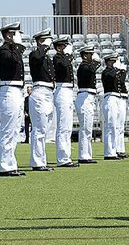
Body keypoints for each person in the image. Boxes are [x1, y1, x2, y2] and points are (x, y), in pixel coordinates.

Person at [0, 22, 27, 176]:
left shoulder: (13, 50)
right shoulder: (3, 51)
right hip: (8, 90)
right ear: (9, 35)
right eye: (15, 33)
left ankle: (11, 164)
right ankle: (5, 166)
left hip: (17, 90)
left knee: (15, 130)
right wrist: (18, 46)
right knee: (7, 130)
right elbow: (13, 60)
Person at [29, 28, 56, 171]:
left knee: (44, 129)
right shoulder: (35, 54)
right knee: (39, 129)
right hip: (39, 91)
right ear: (40, 41)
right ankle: (37, 162)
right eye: (46, 39)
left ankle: (41, 160)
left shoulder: (46, 57)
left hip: (48, 93)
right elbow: (37, 58)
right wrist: (44, 47)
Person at [53, 36, 78, 167]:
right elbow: (62, 65)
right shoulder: (57, 58)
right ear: (58, 48)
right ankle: (62, 158)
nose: (66, 48)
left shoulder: (64, 58)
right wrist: (68, 55)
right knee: (63, 126)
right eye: (64, 46)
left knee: (67, 127)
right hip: (62, 89)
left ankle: (66, 156)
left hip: (68, 90)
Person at [75, 45, 100, 164]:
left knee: (88, 128)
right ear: (85, 55)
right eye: (91, 54)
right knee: (85, 128)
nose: (93, 56)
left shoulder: (87, 66)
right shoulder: (83, 66)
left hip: (89, 97)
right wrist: (96, 62)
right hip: (84, 97)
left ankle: (87, 154)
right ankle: (84, 155)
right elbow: (91, 70)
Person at [101, 52, 122, 160]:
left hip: (116, 98)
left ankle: (114, 150)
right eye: (112, 61)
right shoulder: (106, 72)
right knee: (111, 126)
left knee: (116, 126)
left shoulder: (114, 71)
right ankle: (109, 152)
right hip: (110, 98)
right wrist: (117, 70)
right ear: (108, 62)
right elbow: (111, 77)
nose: (114, 63)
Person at [114, 57, 129, 158]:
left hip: (121, 98)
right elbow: (121, 81)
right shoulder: (110, 73)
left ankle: (120, 148)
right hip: (116, 98)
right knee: (116, 126)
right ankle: (115, 149)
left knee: (120, 126)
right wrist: (122, 71)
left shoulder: (117, 74)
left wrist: (122, 71)